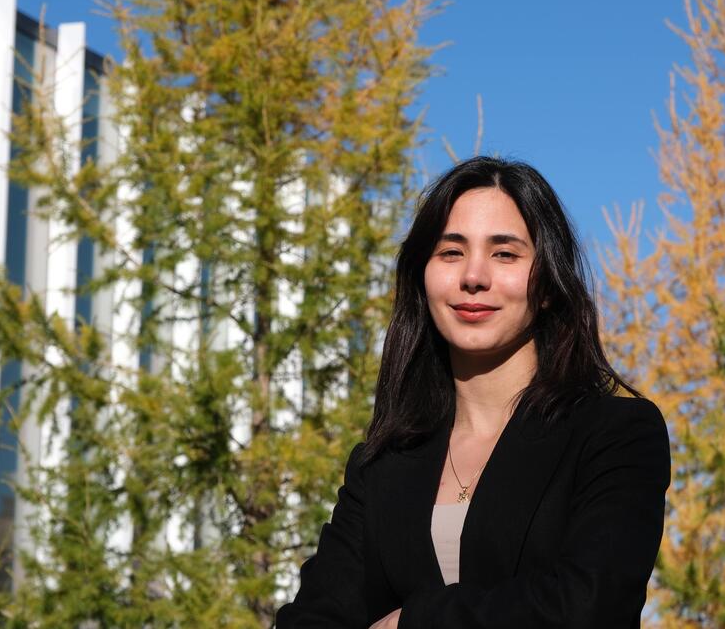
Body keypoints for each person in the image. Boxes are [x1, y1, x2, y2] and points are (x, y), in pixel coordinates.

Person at [275, 156, 670, 629]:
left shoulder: (615, 435)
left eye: (504, 254)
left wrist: (412, 622)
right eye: (451, 252)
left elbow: (589, 605)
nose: (473, 276)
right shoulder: (381, 465)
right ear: (422, 277)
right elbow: (312, 618)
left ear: (548, 284)